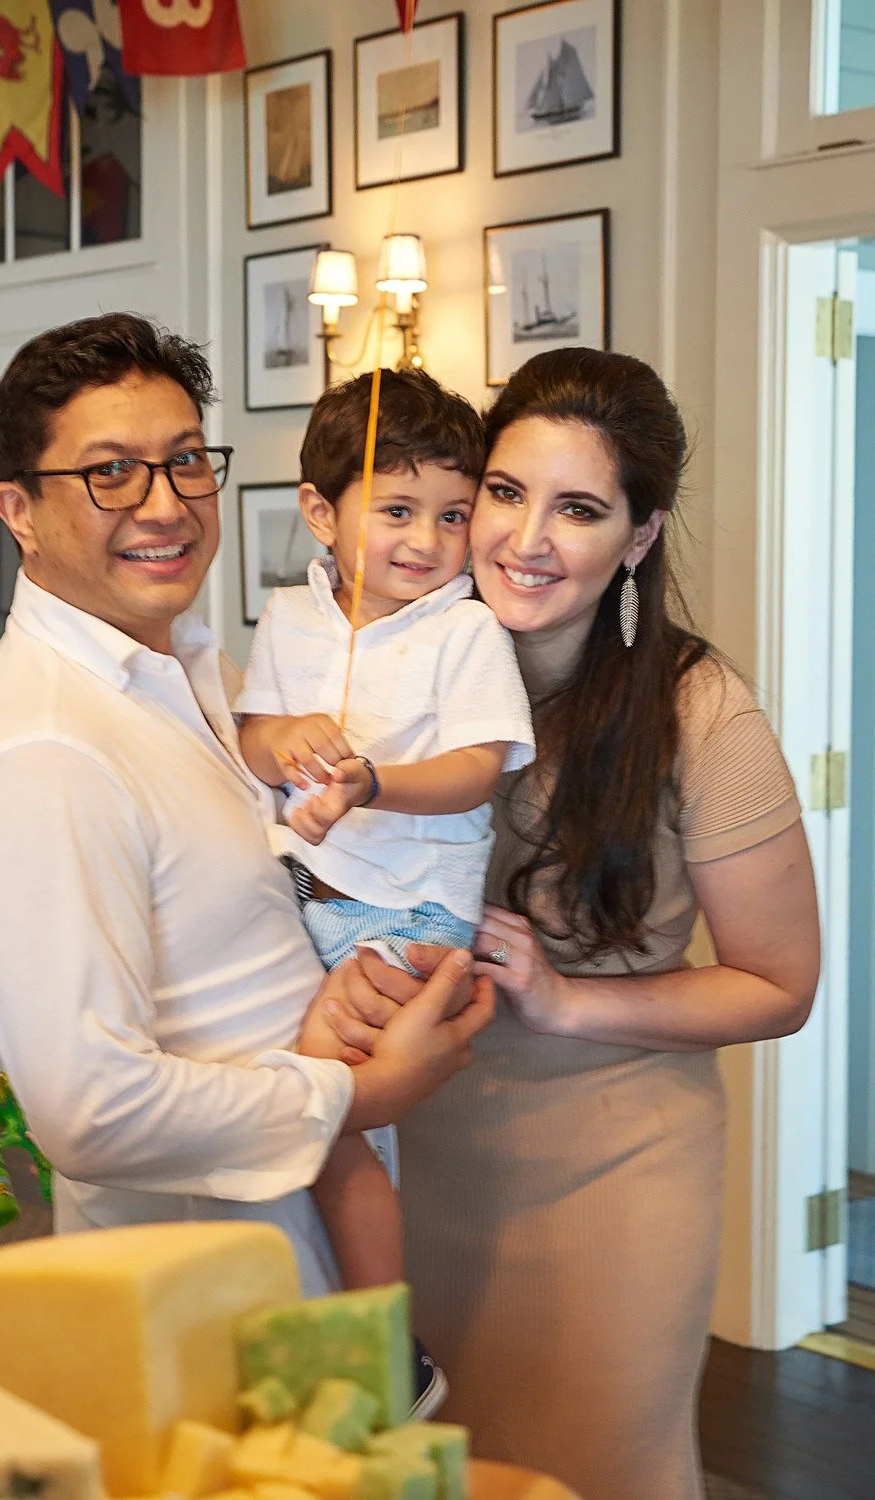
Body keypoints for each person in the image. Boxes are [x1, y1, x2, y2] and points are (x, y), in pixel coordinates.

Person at [328, 348, 820, 1500]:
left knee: (597, 1467)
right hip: (416, 1148)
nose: (524, 539)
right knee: (431, 1470)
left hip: (613, 1159)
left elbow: (777, 986)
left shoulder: (699, 714)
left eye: (579, 509)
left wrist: (563, 998)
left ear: (636, 538)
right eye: (504, 492)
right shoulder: (391, 673)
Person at [0, 313, 493, 1312]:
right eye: (111, 472)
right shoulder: (41, 748)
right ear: (17, 508)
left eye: (186, 460)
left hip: (300, 1230)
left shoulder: (190, 664)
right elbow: (87, 1110)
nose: (167, 504)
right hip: (192, 1269)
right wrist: (362, 1095)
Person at [235, 369, 534, 1301]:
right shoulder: (290, 617)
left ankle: (381, 1341)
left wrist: (371, 783)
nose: (427, 539)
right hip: (298, 890)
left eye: (452, 516)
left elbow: (479, 769)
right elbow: (252, 740)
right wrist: (282, 740)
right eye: (398, 509)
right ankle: (291, 1302)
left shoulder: (465, 633)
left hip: (408, 911)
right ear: (320, 513)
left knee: (324, 1118)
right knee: (270, 1101)